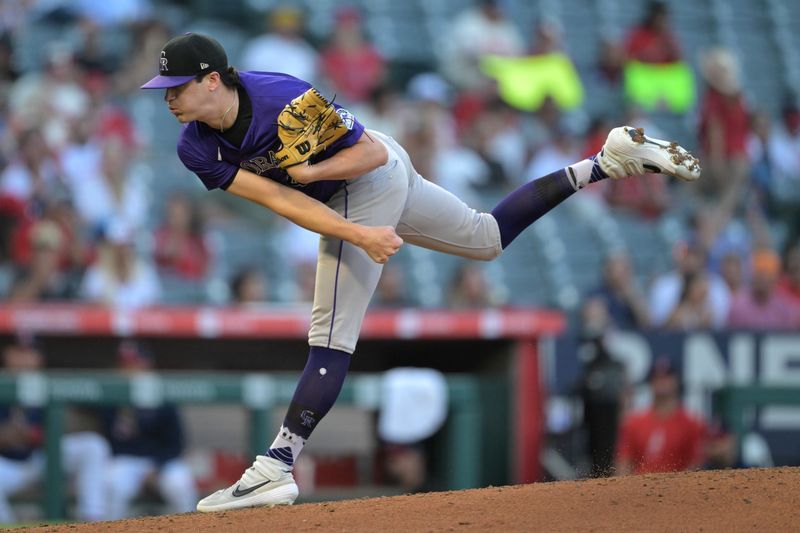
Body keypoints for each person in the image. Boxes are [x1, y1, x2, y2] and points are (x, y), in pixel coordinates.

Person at [140, 33, 701, 511]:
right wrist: (351, 227)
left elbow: (370, 158)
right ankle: (604, 162)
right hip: (351, 196)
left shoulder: (282, 97)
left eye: (177, 87)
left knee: (331, 332)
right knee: (487, 239)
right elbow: (278, 200)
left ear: (213, 80)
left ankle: (278, 462)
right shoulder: (194, 146)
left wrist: (324, 187)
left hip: (372, 175)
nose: (168, 99)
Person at [0, 337, 109, 523]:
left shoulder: (49, 382)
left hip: (40, 458)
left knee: (92, 445)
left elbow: (73, 425)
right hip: (7, 465)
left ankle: (93, 520)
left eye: (30, 352)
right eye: (18, 352)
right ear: (6, 355)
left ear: (39, 357)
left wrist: (38, 434)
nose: (24, 358)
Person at [102, 340, 197, 518]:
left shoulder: (161, 394)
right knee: (112, 484)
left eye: (136, 363)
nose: (130, 370)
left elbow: (176, 443)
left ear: (147, 364)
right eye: (125, 364)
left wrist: (157, 467)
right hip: (126, 461)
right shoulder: (111, 396)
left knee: (180, 485)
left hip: (162, 461)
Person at [615, 358, 706, 475]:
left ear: (676, 381)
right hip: (639, 487)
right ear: (650, 382)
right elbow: (624, 461)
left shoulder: (691, 423)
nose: (662, 382)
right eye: (657, 378)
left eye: (667, 377)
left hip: (677, 488)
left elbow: (695, 463)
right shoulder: (634, 422)